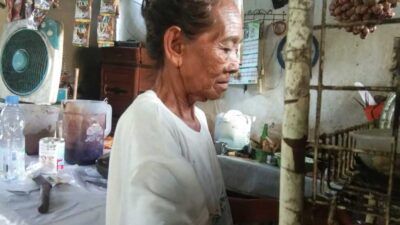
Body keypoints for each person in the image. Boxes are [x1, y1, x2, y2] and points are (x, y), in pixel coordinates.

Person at [106, 0, 242, 224]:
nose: (235, 64)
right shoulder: (150, 123)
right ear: (176, 45)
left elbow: (208, 207)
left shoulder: (195, 118)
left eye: (236, 50)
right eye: (226, 48)